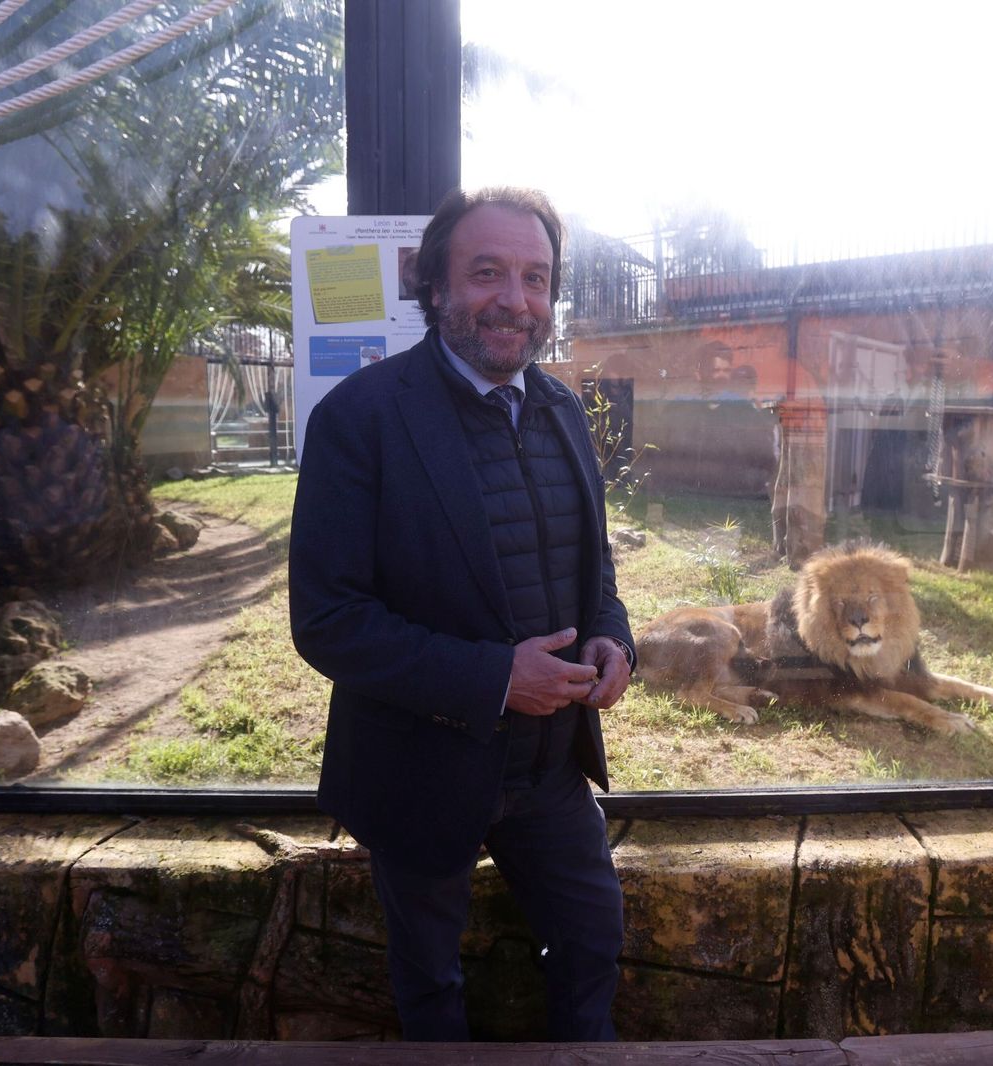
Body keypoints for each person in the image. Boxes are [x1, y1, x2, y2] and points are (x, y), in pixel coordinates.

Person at [288, 187, 635, 1042]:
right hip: (420, 773)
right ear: (434, 287)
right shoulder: (361, 419)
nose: (515, 299)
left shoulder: (561, 412)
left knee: (593, 946)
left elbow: (595, 571)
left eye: (536, 277)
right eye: (487, 272)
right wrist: (493, 677)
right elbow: (326, 618)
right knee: (433, 989)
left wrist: (613, 636)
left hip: (551, 774)